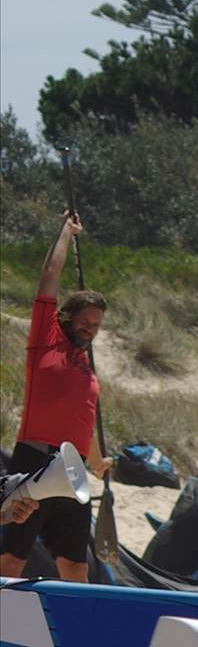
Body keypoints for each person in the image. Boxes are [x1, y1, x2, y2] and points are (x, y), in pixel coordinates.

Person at [5, 212, 106, 581]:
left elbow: (84, 419)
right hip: (35, 460)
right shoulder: (45, 339)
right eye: (85, 321)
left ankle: (77, 633)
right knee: (12, 558)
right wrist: (65, 231)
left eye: (96, 325)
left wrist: (97, 462)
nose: (90, 329)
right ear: (66, 316)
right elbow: (50, 274)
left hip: (73, 472)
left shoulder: (86, 366)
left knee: (76, 565)